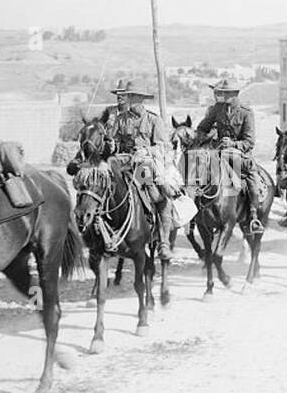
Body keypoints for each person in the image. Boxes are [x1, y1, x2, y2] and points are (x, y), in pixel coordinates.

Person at [98, 80, 178, 261]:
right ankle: (100, 228)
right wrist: (110, 145)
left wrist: (146, 151)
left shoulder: (153, 120)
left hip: (144, 164)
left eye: (133, 96)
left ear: (141, 99)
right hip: (123, 162)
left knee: (157, 195)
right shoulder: (120, 119)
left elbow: (163, 147)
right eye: (129, 96)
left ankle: (164, 241)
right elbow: (115, 144)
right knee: (103, 185)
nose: (130, 99)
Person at [193, 78, 265, 233]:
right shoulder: (217, 109)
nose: (223, 96)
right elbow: (202, 127)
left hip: (239, 153)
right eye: (222, 93)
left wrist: (233, 144)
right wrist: (204, 138)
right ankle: (196, 211)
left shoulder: (246, 113)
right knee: (197, 170)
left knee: (252, 176)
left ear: (235, 94)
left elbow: (249, 142)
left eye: (226, 93)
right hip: (218, 152)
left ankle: (253, 216)